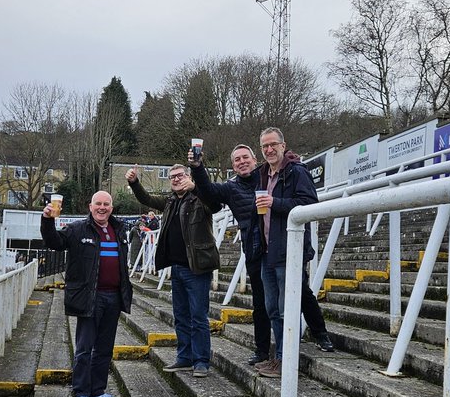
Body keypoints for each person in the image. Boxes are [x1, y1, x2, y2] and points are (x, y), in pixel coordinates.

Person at [189, 143, 334, 367]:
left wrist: (291, 158)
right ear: (233, 166)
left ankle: (320, 333)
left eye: (245, 157)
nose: (242, 162)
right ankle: (262, 350)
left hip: (282, 245)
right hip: (255, 249)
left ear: (255, 160)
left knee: (301, 292)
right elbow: (208, 191)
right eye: (237, 160)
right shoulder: (230, 188)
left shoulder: (267, 176)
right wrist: (197, 167)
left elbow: (291, 177)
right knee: (261, 302)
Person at [40, 190, 133, 397]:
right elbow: (54, 242)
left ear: (111, 208)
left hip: (114, 297)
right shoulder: (77, 229)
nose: (102, 207)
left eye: (106, 204)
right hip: (89, 296)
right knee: (84, 347)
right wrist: (47, 220)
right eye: (98, 204)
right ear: (90, 207)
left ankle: (97, 391)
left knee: (104, 348)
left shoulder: (118, 230)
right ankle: (81, 391)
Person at [126, 163, 221, 378]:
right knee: (180, 316)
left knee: (198, 316)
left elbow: (215, 204)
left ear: (189, 177)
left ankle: (201, 361)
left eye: (180, 176)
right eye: (172, 177)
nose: (176, 179)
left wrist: (196, 186)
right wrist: (134, 183)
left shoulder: (200, 198)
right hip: (176, 268)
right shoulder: (170, 201)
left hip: (196, 268)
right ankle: (185, 358)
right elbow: (147, 200)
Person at [253, 127, 326, 379]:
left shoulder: (297, 172)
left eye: (273, 144)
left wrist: (276, 203)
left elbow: (310, 205)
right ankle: (279, 357)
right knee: (272, 307)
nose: (269, 150)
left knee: (286, 309)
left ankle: (287, 360)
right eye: (264, 146)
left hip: (288, 252)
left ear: (284, 145)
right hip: (267, 251)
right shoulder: (262, 174)